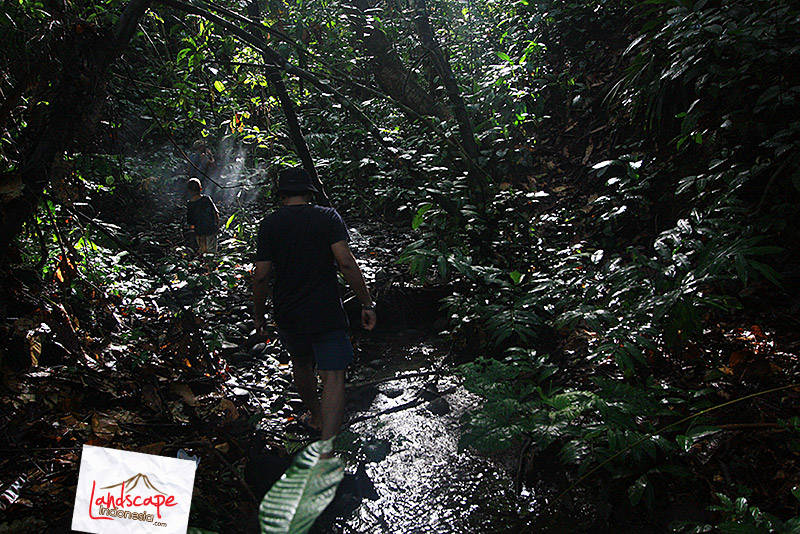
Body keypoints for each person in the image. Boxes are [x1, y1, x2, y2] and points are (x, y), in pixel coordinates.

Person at [252, 167, 376, 443]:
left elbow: (261, 275)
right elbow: (345, 262)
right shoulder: (327, 217)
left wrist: (258, 317)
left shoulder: (270, 224)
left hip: (289, 311)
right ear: (310, 191)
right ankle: (328, 446)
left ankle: (317, 416)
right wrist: (366, 302)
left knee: (302, 363)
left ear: (281, 194)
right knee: (333, 376)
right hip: (326, 309)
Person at [186, 178, 220, 254]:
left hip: (199, 232)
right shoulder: (206, 199)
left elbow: (190, 222)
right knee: (211, 251)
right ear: (200, 188)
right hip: (210, 229)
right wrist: (217, 225)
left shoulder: (190, 204)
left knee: (202, 251)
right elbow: (215, 213)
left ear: (189, 191)